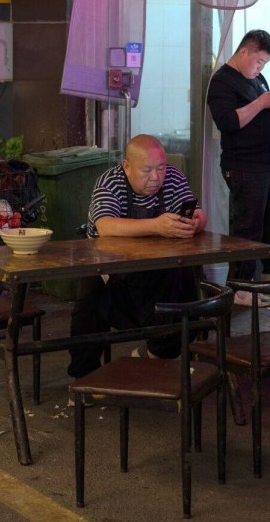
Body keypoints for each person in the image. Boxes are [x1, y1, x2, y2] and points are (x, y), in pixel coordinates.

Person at [67, 134, 206, 378]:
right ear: (127, 166)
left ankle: (155, 353)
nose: (156, 177)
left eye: (161, 168)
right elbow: (105, 226)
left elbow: (196, 211)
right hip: (113, 272)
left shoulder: (173, 177)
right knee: (90, 295)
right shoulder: (110, 182)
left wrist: (195, 221)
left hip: (158, 268)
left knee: (190, 283)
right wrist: (156, 226)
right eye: (147, 170)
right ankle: (83, 376)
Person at [207, 29, 270, 308]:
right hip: (245, 167)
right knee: (247, 228)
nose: (261, 68)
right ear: (244, 52)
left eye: (265, 63)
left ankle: (268, 281)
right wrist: (260, 103)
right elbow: (227, 122)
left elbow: (267, 113)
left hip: (269, 164)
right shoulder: (222, 83)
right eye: (259, 61)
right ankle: (240, 289)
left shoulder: (257, 78)